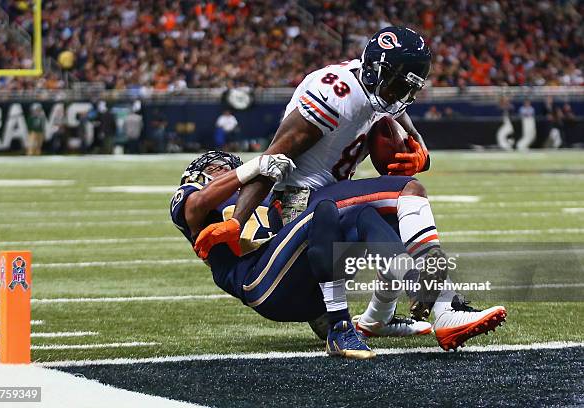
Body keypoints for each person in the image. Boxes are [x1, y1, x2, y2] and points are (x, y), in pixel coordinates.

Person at [194, 27, 507, 350]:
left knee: (397, 218)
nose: (398, 92)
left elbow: (414, 141)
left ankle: (378, 318)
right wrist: (237, 220)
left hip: (331, 203)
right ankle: (445, 306)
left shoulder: (384, 90)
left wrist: (420, 155)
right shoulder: (335, 92)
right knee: (408, 192)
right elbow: (272, 162)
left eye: (407, 86)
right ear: (374, 68)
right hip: (297, 208)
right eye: (396, 81)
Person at [171, 151, 438, 359]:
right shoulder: (190, 196)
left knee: (361, 213)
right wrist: (253, 167)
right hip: (259, 283)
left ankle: (413, 285)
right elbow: (196, 205)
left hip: (296, 280)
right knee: (323, 210)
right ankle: (340, 327)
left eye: (230, 167)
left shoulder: (258, 195)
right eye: (217, 168)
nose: (227, 170)